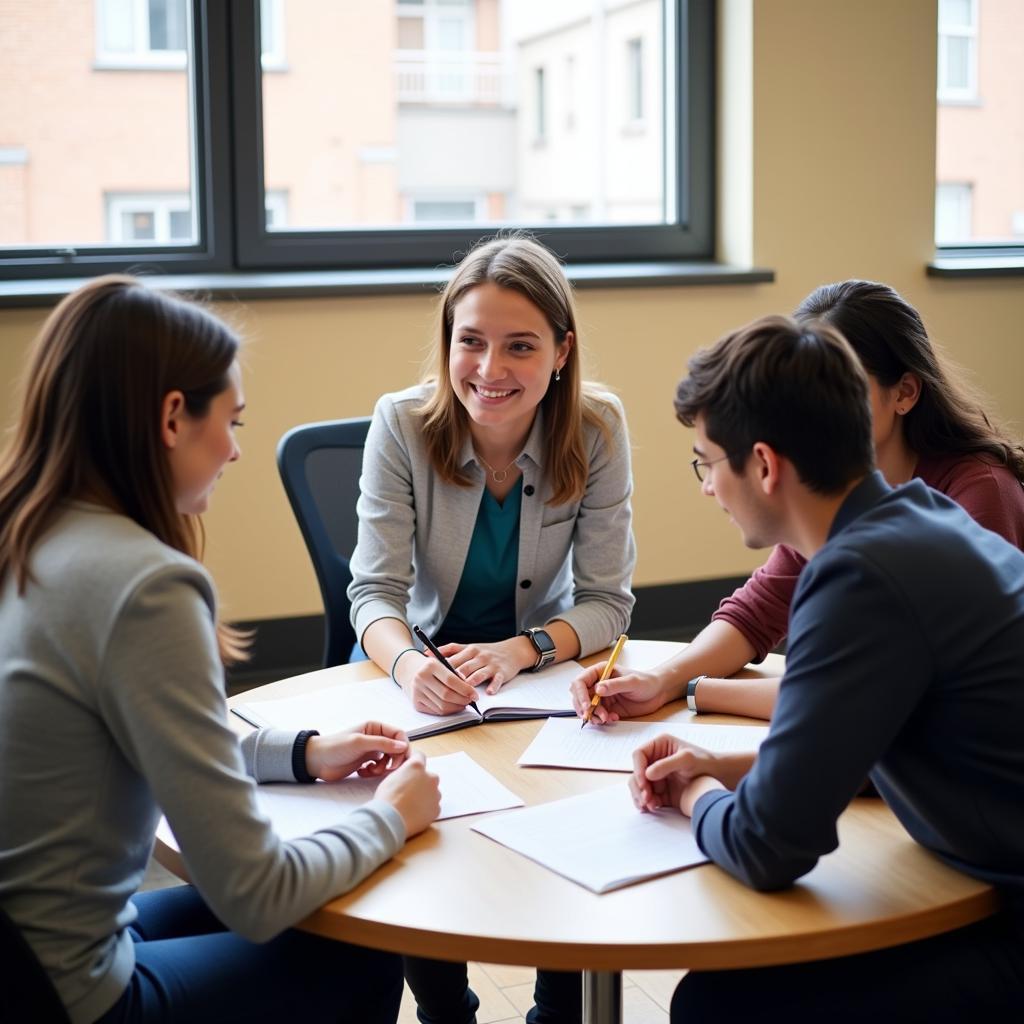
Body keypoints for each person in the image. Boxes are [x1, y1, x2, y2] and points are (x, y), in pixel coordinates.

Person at [0, 276, 441, 1024]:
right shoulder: (144, 585)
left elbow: (138, 733)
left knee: (311, 913)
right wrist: (392, 817)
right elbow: (256, 890)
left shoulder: (32, 535)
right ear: (174, 417)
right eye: (231, 421)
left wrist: (301, 752)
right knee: (356, 946)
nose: (236, 450)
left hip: (24, 952)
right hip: (72, 994)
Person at [627, 315, 1024, 1020]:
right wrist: (723, 768)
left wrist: (691, 795)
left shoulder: (859, 578)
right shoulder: (921, 514)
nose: (707, 488)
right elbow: (868, 744)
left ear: (765, 465)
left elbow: (765, 847)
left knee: (717, 1005)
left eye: (706, 462)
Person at [348, 234, 636, 1024]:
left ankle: (558, 1007)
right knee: (416, 820)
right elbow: (373, 594)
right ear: (447, 344)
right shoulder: (402, 424)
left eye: (520, 346)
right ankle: (448, 1011)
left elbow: (610, 603)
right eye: (469, 341)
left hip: (537, 665)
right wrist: (411, 668)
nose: (489, 368)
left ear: (561, 351)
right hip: (410, 661)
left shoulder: (599, 428)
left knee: (575, 806)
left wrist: (523, 650)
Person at [571, 279, 1024, 724]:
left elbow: (888, 703)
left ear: (904, 393)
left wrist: (700, 692)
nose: (817, 407)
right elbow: (757, 612)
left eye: (841, 384)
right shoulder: (835, 497)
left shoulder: (978, 491)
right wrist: (661, 680)